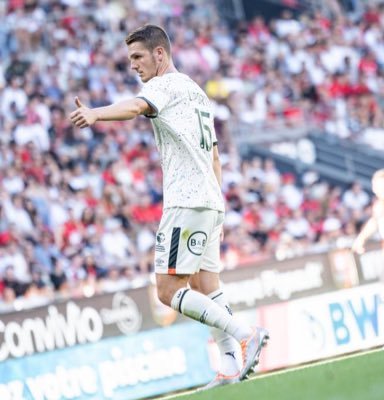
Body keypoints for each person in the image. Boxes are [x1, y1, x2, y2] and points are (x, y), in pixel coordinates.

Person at [70, 24, 268, 387]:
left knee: (166, 290)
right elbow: (215, 154)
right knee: (207, 283)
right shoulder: (195, 90)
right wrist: (218, 208)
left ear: (159, 54)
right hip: (209, 199)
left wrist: (97, 113)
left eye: (137, 57)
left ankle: (244, 332)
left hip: (186, 200)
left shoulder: (162, 86)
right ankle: (228, 365)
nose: (133, 65)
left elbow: (135, 106)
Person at [352, 169, 384, 341]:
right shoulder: (379, 205)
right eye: (374, 186)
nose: (377, 189)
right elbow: (374, 222)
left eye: (380, 185)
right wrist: (361, 239)